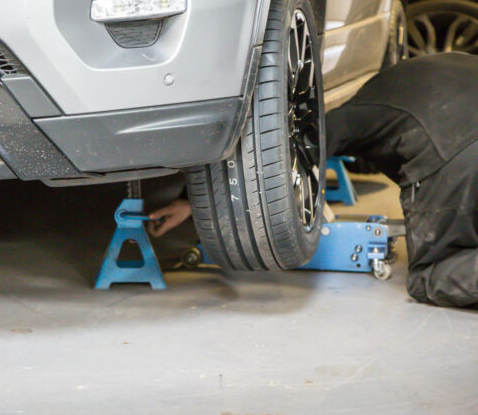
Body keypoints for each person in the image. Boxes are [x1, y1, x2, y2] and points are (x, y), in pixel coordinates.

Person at [149, 52, 478, 308]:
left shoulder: (366, 105)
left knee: (429, 276)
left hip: (455, 154)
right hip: (459, 143)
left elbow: (305, 145)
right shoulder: (446, 71)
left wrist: (193, 199)